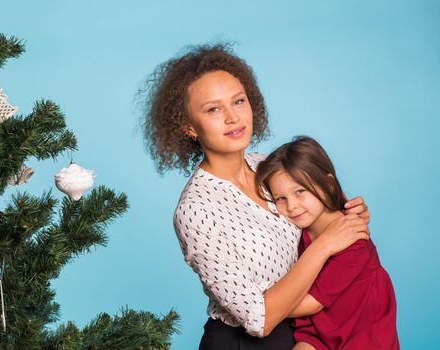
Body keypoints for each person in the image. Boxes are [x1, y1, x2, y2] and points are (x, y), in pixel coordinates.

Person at [140, 43, 370, 350]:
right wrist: (328, 242)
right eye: (213, 109)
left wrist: (350, 218)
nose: (233, 117)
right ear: (188, 127)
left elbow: (329, 218)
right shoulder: (195, 210)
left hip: (309, 334)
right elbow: (257, 319)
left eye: (238, 101)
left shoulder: (271, 166)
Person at [256, 136, 399, 350]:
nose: (292, 206)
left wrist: (256, 307)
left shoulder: (353, 239)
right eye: (280, 198)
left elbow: (311, 303)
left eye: (300, 192)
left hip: (361, 335)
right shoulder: (297, 231)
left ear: (328, 184)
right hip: (318, 330)